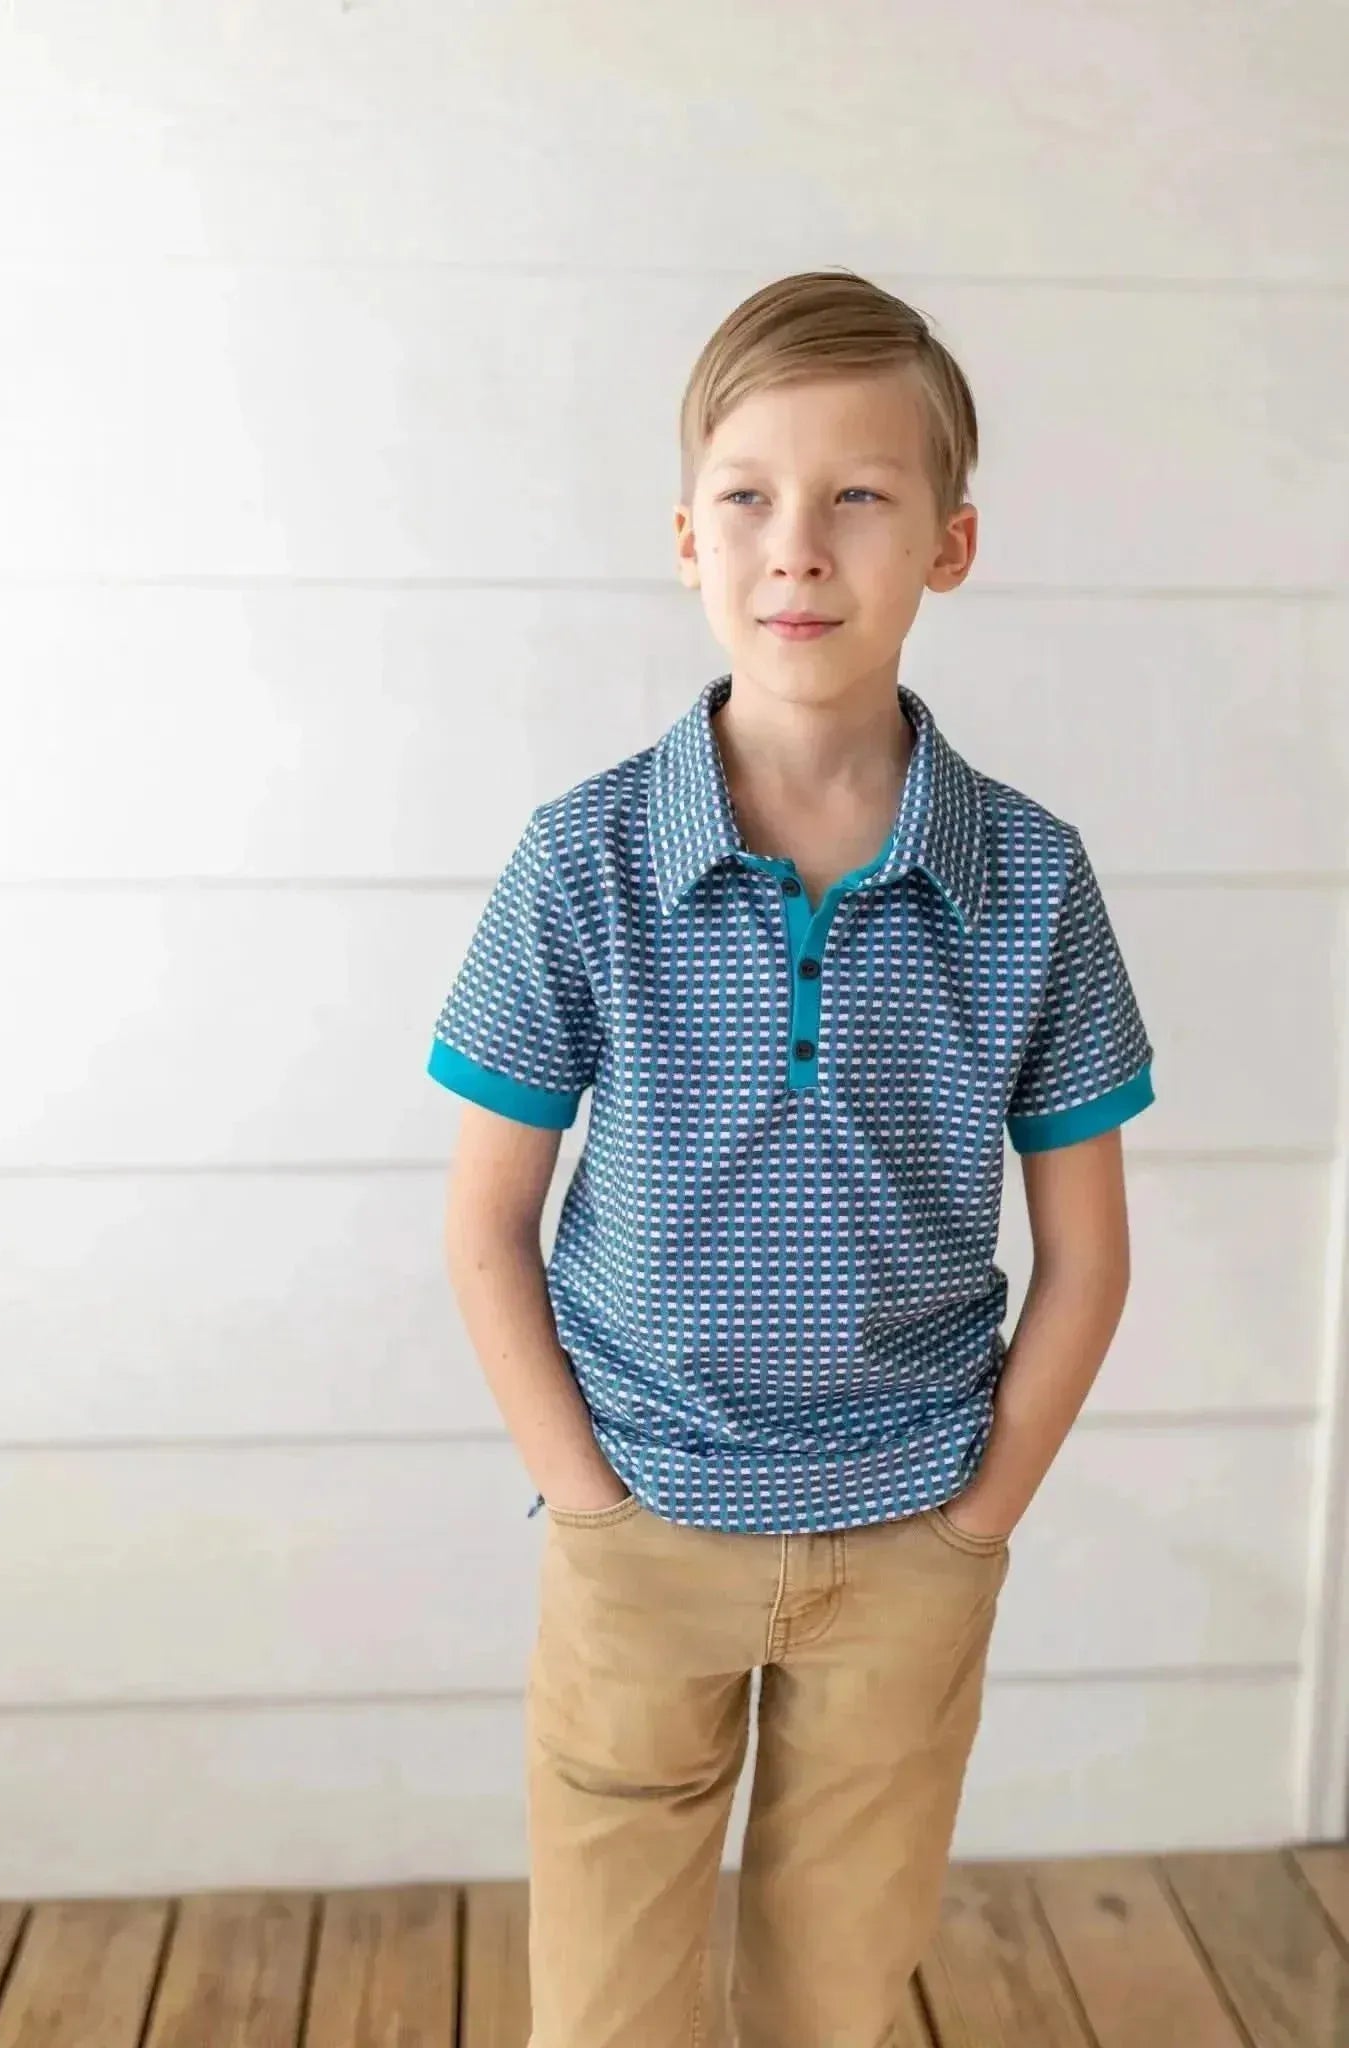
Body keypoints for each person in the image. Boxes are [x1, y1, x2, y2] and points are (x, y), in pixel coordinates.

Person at [427, 268, 1156, 2048]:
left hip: (907, 1534)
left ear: (949, 544)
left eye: (860, 495)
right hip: (641, 1524)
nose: (798, 547)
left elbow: (1087, 1257)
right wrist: (587, 1504)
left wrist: (973, 1526)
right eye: (748, 495)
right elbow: (485, 1227)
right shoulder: (584, 859)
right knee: (605, 2005)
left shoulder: (1031, 880)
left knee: (838, 1991)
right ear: (687, 536)